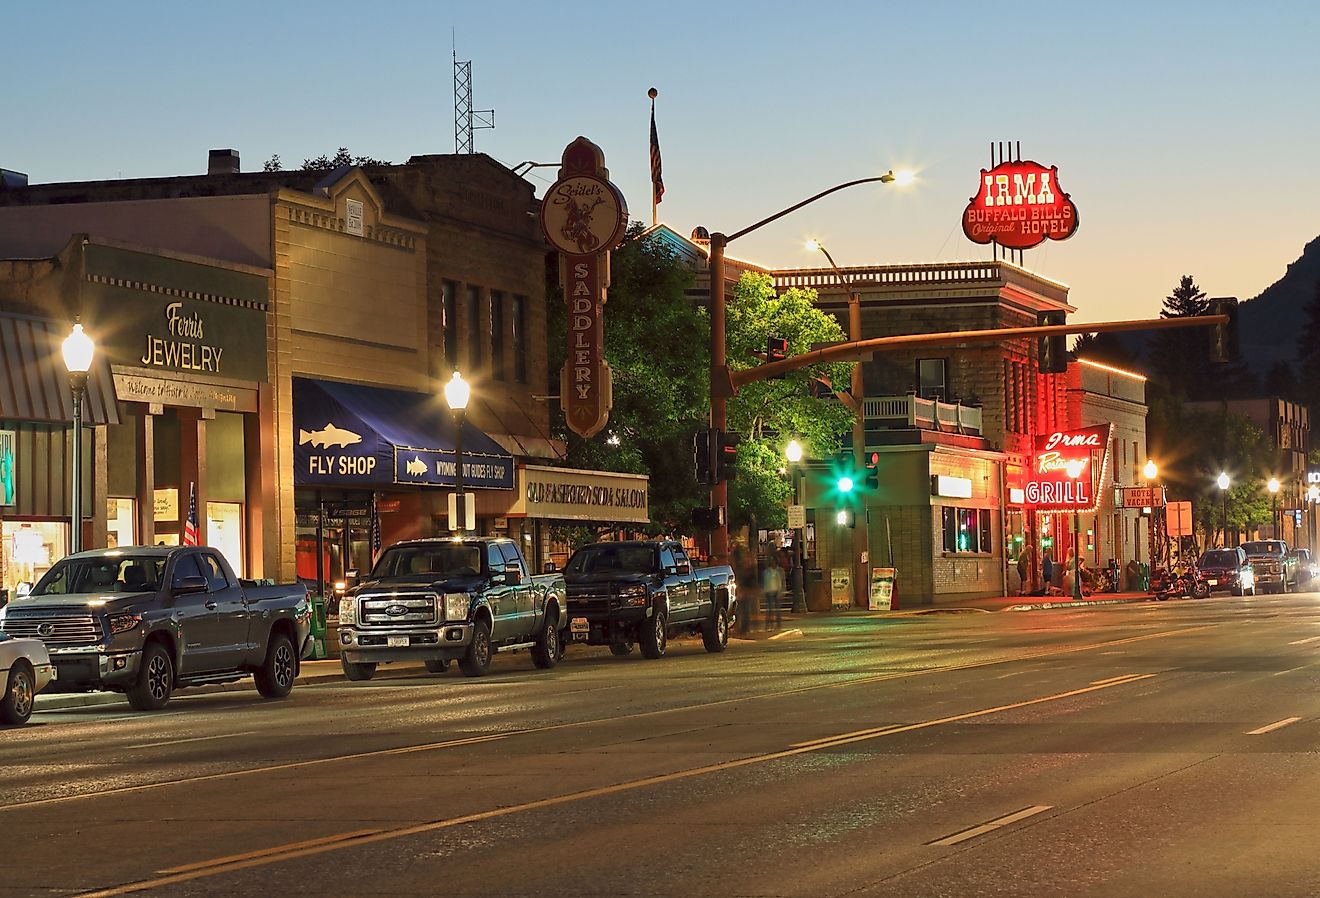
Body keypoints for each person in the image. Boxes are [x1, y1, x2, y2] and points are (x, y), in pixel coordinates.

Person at [762, 555, 784, 630]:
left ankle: (778, 625)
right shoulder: (766, 572)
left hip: (776, 591)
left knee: (777, 609)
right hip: (769, 592)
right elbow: (764, 582)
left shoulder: (779, 571)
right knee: (770, 609)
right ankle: (769, 625)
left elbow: (781, 582)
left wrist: (781, 591)